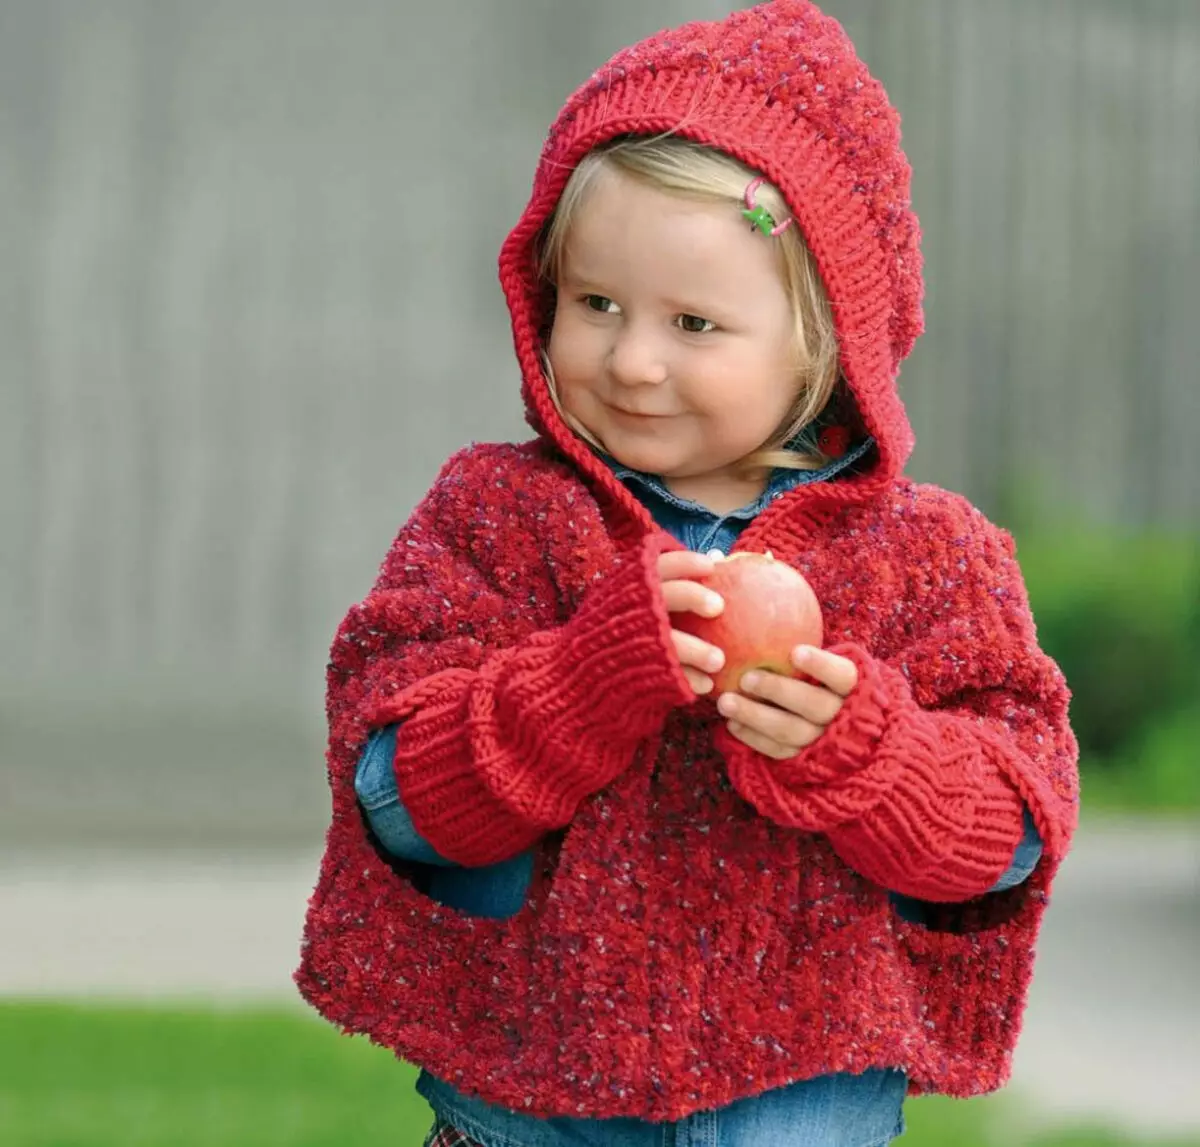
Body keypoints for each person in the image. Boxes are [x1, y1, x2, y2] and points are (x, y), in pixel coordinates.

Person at [296, 2, 1079, 1144]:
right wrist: (577, 686)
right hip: (524, 1116)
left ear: (824, 342)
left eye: (697, 322)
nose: (633, 358)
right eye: (595, 303)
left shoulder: (928, 559)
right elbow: (396, 801)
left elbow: (1008, 839)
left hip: (804, 1109)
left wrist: (871, 753)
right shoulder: (502, 517)